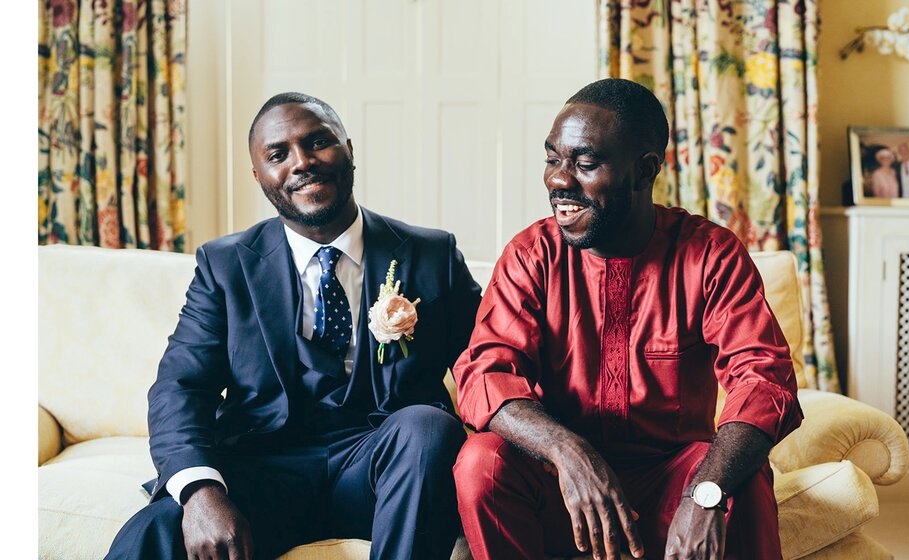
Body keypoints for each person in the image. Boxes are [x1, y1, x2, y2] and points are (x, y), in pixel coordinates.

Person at [105, 92, 483, 560]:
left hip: (386, 472)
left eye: (318, 142)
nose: (301, 163)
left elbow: (486, 369)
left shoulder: (432, 255)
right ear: (258, 175)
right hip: (265, 472)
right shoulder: (225, 266)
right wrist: (199, 491)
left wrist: (486, 494)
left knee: (426, 425)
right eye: (278, 154)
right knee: (158, 527)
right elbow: (180, 389)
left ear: (349, 148)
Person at [453, 78, 803, 560]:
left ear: (644, 171)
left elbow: (764, 380)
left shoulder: (711, 254)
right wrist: (568, 453)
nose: (558, 179)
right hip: (560, 491)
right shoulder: (531, 256)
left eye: (585, 163)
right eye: (553, 158)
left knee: (742, 476)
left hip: (675, 483)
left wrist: (707, 492)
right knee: (481, 462)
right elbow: (486, 374)